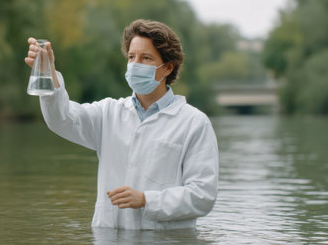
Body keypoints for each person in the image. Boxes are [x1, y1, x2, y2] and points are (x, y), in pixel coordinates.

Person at [24, 19, 219, 230]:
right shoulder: (108, 113)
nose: (136, 65)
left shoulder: (194, 123)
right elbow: (61, 119)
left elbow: (202, 196)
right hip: (109, 236)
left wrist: (146, 200)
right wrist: (49, 69)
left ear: (168, 68)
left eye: (146, 58)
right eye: (132, 57)